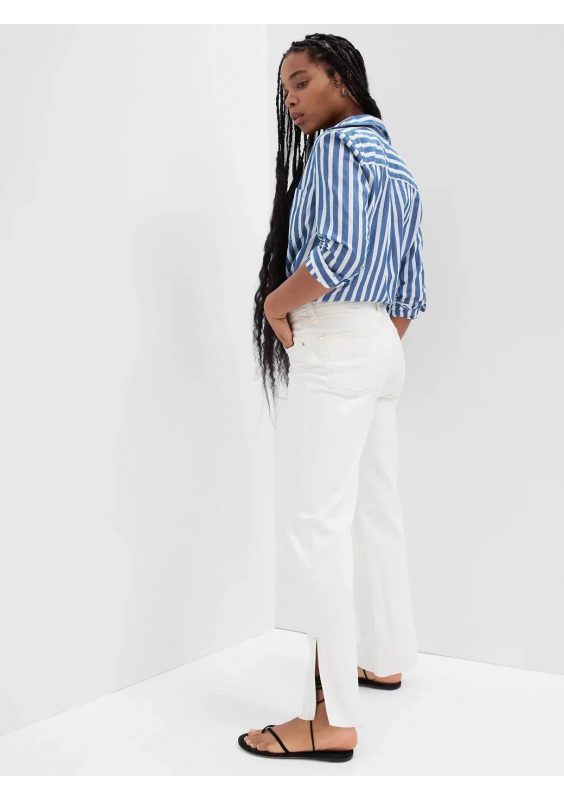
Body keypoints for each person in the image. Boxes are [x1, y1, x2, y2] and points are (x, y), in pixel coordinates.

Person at [241, 32, 427, 762]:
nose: (291, 99)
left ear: (343, 78)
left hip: (338, 340)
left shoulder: (336, 148)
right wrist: (373, 343)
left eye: (302, 81)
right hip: (381, 343)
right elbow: (410, 288)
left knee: (318, 526)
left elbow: (337, 254)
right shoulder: (396, 165)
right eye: (284, 89)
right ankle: (383, 657)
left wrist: (275, 305)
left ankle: (330, 718)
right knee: (375, 511)